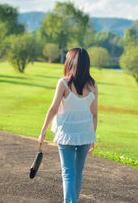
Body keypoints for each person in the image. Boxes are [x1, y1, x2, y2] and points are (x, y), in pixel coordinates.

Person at [38, 47, 98, 203]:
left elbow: (53, 109)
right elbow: (94, 114)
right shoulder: (93, 85)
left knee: (68, 173)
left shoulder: (63, 83)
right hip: (85, 134)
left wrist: (43, 131)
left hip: (66, 134)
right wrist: (92, 136)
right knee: (77, 173)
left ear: (70, 63)